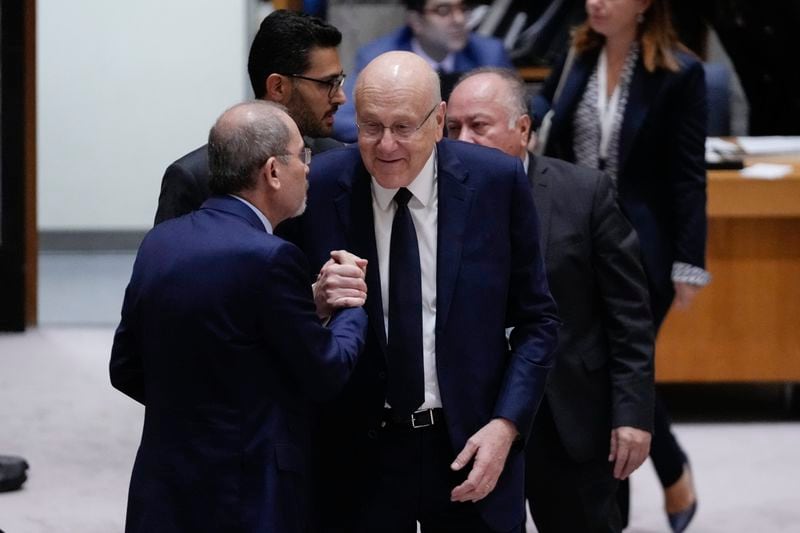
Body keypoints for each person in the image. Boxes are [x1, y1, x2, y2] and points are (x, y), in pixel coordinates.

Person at [277, 50, 559, 533]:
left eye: (403, 127)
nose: (386, 146)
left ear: (439, 120)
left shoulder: (496, 182)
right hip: (358, 453)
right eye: (370, 127)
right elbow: (281, 326)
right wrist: (316, 300)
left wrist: (506, 426)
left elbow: (538, 322)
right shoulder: (318, 189)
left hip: (469, 443)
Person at [110, 101, 369, 533]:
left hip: (164, 486)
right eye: (302, 156)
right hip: (246, 495)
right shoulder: (271, 257)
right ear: (272, 171)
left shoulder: (160, 242)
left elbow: (125, 369)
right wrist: (351, 305)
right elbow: (326, 371)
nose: (308, 169)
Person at [447, 67, 655, 532]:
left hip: (570, 415)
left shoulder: (584, 194)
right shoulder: (434, 203)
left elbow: (629, 317)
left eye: (478, 126)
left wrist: (633, 414)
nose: (462, 140)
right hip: (475, 417)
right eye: (451, 128)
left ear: (523, 130)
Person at [532, 0, 709, 531]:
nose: (595, 3)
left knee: (620, 366)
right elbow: (545, 118)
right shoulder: (575, 53)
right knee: (595, 372)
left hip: (642, 249)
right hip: (573, 238)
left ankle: (669, 472)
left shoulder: (680, 71)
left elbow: (687, 175)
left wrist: (689, 261)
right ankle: (624, 501)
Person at [154, 9, 347, 225]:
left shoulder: (335, 160)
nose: (341, 97)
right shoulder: (193, 178)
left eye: (339, 82)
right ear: (278, 87)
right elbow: (171, 257)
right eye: (328, 84)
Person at [331, 0, 513, 143]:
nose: (458, 20)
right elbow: (340, 119)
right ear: (416, 21)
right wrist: (409, 129)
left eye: (462, 8)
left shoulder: (489, 54)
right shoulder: (380, 56)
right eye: (444, 10)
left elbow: (517, 111)